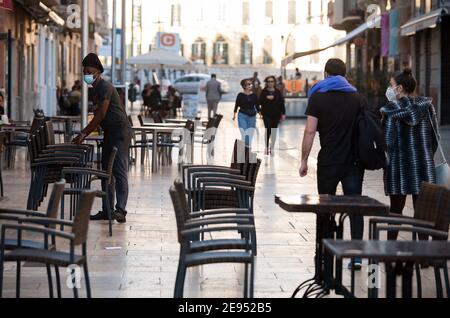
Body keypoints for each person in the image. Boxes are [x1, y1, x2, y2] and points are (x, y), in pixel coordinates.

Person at [299, 58, 367, 270]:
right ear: (345, 74)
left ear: (326, 74)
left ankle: (323, 252)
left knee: (325, 208)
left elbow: (310, 131)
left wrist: (303, 160)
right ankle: (356, 255)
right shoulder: (358, 97)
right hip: (353, 162)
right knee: (355, 207)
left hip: (328, 161)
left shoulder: (318, 98)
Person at [73, 53, 132, 223]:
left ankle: (120, 210)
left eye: (89, 72)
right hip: (109, 133)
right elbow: (99, 117)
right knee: (106, 174)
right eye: (84, 72)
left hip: (120, 132)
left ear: (98, 72)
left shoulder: (105, 87)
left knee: (119, 172)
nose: (87, 75)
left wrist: (83, 133)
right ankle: (107, 210)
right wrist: (94, 130)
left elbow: (100, 114)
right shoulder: (95, 90)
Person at [381, 69, 438, 240]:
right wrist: (425, 155)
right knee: (422, 212)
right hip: (424, 167)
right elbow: (435, 138)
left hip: (399, 169)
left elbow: (388, 142)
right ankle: (424, 254)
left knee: (396, 212)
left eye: (391, 85)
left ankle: (390, 249)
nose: (389, 89)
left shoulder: (390, 110)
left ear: (399, 89)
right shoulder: (427, 107)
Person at [259, 76, 286, 156]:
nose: (270, 83)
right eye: (269, 81)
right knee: (268, 129)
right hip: (266, 114)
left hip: (276, 114)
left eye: (272, 81)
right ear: (266, 82)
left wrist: (283, 113)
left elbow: (281, 103)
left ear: (274, 82)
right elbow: (260, 102)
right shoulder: (264, 91)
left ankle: (272, 147)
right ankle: (266, 147)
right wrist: (266, 98)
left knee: (274, 131)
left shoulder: (277, 92)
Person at [233, 79, 261, 148]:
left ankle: (248, 148)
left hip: (252, 116)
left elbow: (257, 106)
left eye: (250, 84)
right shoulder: (240, 95)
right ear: (244, 86)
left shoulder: (254, 95)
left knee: (250, 134)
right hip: (242, 115)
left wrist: (260, 114)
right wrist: (234, 115)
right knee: (244, 133)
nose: (250, 85)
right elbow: (236, 105)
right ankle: (245, 148)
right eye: (248, 84)